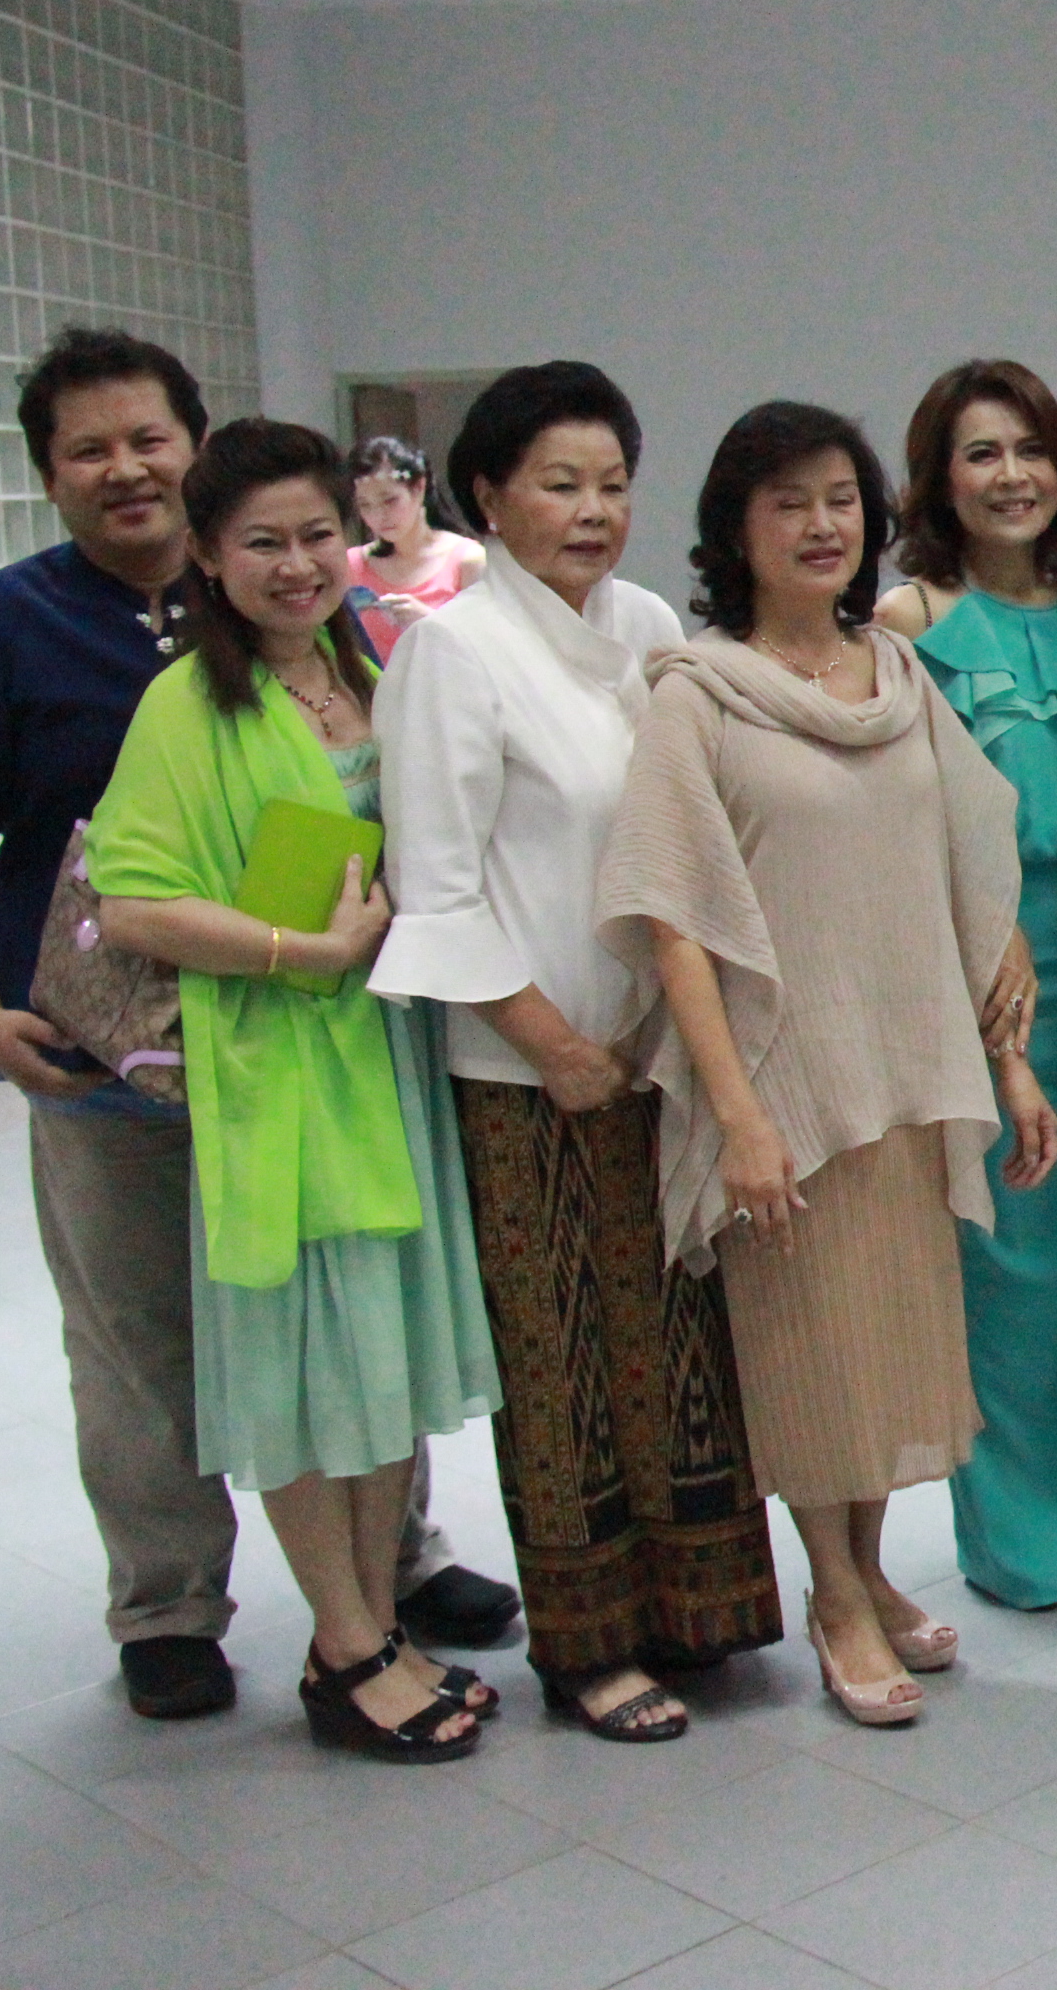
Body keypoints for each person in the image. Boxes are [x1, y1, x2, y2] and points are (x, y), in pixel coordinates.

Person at [0, 327, 510, 1722]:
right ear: (49, 474)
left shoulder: (324, 631)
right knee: (144, 1345)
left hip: (326, 1046)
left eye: (147, 440)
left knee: (349, 1309)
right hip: (111, 1057)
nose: (124, 468)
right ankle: (171, 1604)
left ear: (191, 451)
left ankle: (390, 1575)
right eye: (88, 450)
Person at [600, 400, 1055, 1725]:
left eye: (841, 500)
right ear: (735, 529)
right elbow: (673, 918)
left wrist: (1010, 1059)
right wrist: (737, 1113)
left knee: (887, 1349)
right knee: (809, 1362)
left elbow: (972, 866)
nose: (821, 526)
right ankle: (837, 1598)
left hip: (908, 1071)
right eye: (788, 503)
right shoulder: (698, 695)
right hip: (788, 1085)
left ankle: (868, 1570)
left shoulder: (897, 676)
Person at [369, 362, 778, 1742]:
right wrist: (553, 1046)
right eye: (561, 484)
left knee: (681, 1337)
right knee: (565, 1366)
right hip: (527, 1071)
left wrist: (671, 1028)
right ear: (487, 495)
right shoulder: (451, 651)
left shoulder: (646, 625)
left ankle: (703, 1611)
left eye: (612, 484)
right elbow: (437, 891)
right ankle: (591, 1644)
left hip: (662, 1053)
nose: (594, 510)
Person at [86, 419, 506, 1760]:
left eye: (317, 533)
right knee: (307, 1374)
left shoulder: (368, 666)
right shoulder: (187, 705)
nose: (297, 563)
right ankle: (348, 1639)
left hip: (384, 1058)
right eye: (260, 542)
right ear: (207, 558)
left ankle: (367, 1632)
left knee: (381, 1366)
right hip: (279, 1071)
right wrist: (301, 952)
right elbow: (131, 900)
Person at [876, 360, 1057, 1606]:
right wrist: (991, 1011)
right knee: (1015, 1283)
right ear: (939, 477)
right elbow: (905, 837)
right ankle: (1033, 1544)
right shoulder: (908, 623)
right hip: (996, 983)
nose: (1011, 475)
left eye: (1030, 450)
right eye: (981, 453)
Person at [344, 435, 486, 660]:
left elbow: (490, 650)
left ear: (419, 487)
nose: (379, 516)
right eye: (365, 505)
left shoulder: (468, 560)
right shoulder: (351, 565)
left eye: (390, 500)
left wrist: (432, 623)